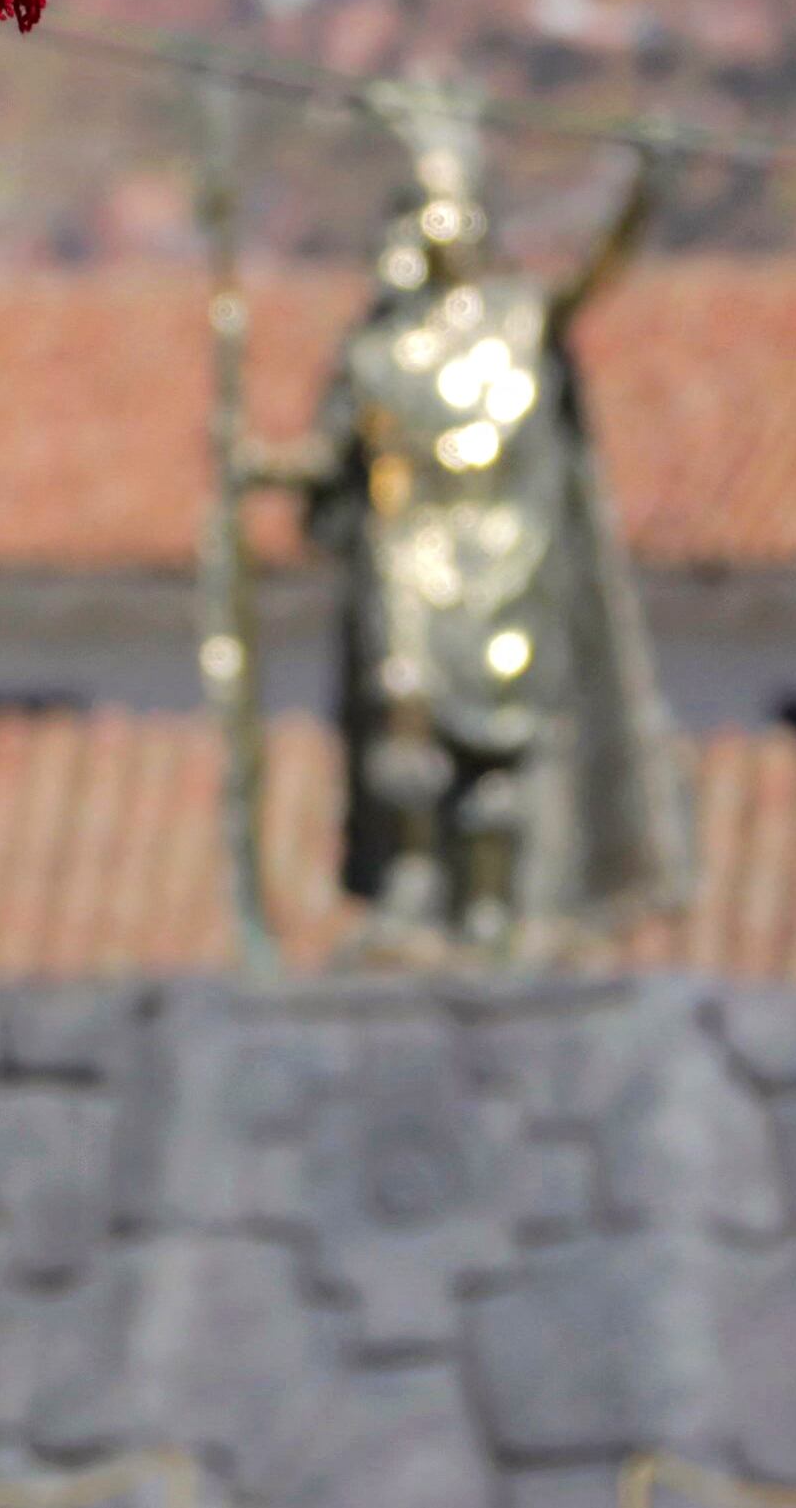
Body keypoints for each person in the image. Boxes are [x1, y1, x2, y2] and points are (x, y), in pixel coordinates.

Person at [253, 82, 688, 954]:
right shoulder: (382, 350)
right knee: (403, 723)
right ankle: (412, 888)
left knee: (501, 749)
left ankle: (495, 904)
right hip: (409, 562)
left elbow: (597, 271)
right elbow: (334, 462)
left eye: (451, 205)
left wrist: (642, 186)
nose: (439, 225)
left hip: (508, 561)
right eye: (425, 208)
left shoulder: (520, 323)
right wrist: (254, 465)